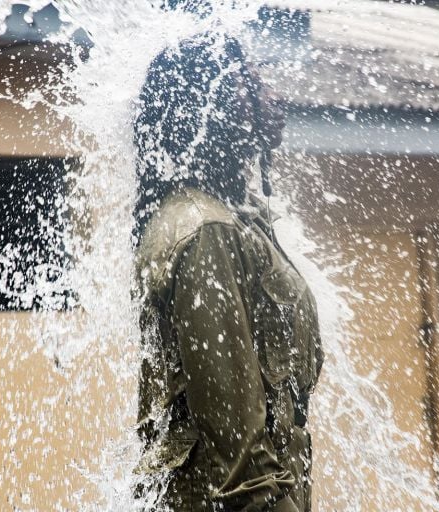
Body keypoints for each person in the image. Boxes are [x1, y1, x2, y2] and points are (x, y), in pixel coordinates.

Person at [132, 32, 323, 512]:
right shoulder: (206, 232)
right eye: (250, 82)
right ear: (209, 103)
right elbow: (235, 444)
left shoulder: (230, 220)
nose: (271, 96)